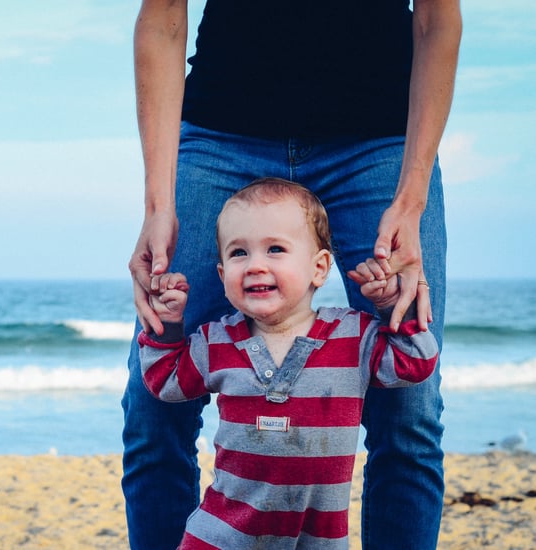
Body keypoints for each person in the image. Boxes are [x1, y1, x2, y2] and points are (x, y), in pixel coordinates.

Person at [123, 1, 462, 548]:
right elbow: (163, 16)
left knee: (410, 414)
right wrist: (158, 204)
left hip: (379, 143)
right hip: (218, 135)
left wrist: (411, 198)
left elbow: (436, 19)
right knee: (151, 410)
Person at [138, 179, 439, 549]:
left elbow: (415, 363)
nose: (254, 265)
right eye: (238, 253)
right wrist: (168, 327)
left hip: (317, 541)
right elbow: (165, 382)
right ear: (221, 276)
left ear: (319, 268)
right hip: (220, 537)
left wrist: (393, 307)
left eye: (275, 249)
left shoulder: (354, 337)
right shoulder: (216, 340)